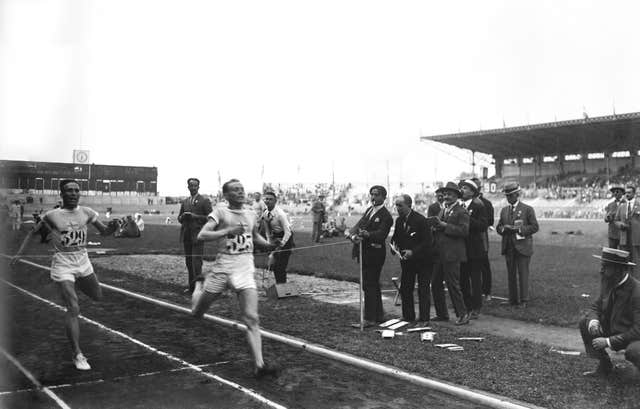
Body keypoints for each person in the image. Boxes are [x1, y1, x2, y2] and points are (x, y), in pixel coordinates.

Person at [11, 179, 118, 371]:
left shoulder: (87, 212)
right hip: (63, 263)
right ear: (61, 194)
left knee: (97, 296)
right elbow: (33, 234)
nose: (73, 193)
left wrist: (114, 227)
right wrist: (20, 254)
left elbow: (105, 232)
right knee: (73, 307)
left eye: (76, 190)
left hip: (83, 261)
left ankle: (72, 285)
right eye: (69, 190)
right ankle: (78, 354)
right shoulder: (52, 215)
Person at [192, 179, 278, 379]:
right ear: (226, 195)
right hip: (223, 268)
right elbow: (202, 235)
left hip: (245, 268)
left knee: (252, 317)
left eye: (242, 189)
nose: (240, 193)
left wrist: (268, 245)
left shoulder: (250, 213)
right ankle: (198, 284)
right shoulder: (220, 212)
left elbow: (254, 236)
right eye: (235, 190)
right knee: (197, 313)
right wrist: (227, 231)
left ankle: (259, 365)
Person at [579, 247, 640, 377]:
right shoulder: (608, 282)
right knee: (585, 322)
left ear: (619, 270)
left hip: (634, 336)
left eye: (605, 266)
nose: (601, 270)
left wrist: (608, 341)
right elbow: (595, 307)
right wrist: (594, 322)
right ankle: (605, 366)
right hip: (615, 330)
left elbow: (638, 330)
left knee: (634, 351)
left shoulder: (636, 291)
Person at [347, 185, 393, 327]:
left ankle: (369, 318)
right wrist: (352, 234)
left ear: (384, 197)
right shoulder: (369, 210)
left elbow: (381, 235)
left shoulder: (386, 215)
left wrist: (368, 234)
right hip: (364, 252)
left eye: (377, 195)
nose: (373, 197)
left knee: (369, 285)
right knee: (372, 284)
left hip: (375, 254)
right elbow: (359, 224)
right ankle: (378, 315)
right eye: (372, 194)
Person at [431, 182, 470, 325]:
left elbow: (464, 231)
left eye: (449, 194)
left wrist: (445, 226)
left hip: (452, 254)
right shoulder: (443, 210)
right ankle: (442, 314)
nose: (446, 197)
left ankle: (463, 314)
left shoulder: (461, 211)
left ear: (456, 196)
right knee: (435, 283)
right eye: (445, 194)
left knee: (453, 284)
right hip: (439, 253)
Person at [390, 194, 433, 324]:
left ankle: (424, 318)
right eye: (396, 205)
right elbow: (396, 237)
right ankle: (408, 316)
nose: (397, 208)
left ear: (409, 205)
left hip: (423, 261)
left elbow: (427, 241)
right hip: (406, 261)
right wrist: (393, 246)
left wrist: (413, 252)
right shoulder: (399, 221)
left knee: (423, 289)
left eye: (400, 205)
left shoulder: (420, 220)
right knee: (406, 288)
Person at [496, 181, 539, 307]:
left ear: (517, 194)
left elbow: (535, 227)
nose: (508, 198)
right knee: (511, 274)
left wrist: (518, 230)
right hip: (509, 246)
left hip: (523, 247)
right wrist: (504, 229)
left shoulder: (527, 209)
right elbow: (499, 226)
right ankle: (513, 299)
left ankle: (524, 300)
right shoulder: (504, 210)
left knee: (523, 274)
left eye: (510, 195)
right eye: (507, 195)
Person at [458, 179, 488, 319]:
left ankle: (476, 307)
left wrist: (467, 218)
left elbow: (483, 225)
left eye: (465, 188)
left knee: (475, 279)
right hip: (461, 248)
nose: (462, 190)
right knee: (463, 278)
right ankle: (467, 305)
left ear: (472, 191)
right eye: (461, 188)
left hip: (475, 248)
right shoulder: (459, 205)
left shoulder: (478, 205)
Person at [178, 178, 213, 294]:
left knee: (196, 262)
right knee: (189, 262)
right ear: (188, 187)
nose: (193, 188)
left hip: (198, 235)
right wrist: (182, 217)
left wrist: (195, 216)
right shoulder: (185, 201)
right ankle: (192, 287)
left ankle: (199, 288)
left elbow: (211, 218)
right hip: (186, 235)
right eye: (191, 186)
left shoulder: (204, 201)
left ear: (198, 187)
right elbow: (179, 218)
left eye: (195, 186)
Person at [261, 190, 295, 284]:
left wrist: (281, 245)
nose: (268, 201)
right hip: (275, 238)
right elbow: (267, 231)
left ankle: (282, 286)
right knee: (274, 263)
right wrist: (269, 243)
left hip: (286, 238)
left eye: (270, 199)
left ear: (275, 201)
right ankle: (279, 285)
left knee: (281, 265)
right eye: (266, 199)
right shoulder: (265, 213)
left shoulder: (280, 214)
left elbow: (288, 232)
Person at [472, 177, 495, 302]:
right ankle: (474, 291)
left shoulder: (486, 203)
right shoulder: (464, 202)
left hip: (481, 238)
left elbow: (490, 221)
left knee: (484, 265)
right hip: (468, 238)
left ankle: (487, 291)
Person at [615, 184, 640, 274]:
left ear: (634, 193)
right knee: (625, 260)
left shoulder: (639, 204)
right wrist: (620, 225)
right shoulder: (622, 206)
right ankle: (626, 278)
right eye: (626, 193)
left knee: (636, 260)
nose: (627, 194)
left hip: (636, 237)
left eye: (629, 192)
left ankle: (637, 280)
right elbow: (616, 220)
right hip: (624, 237)